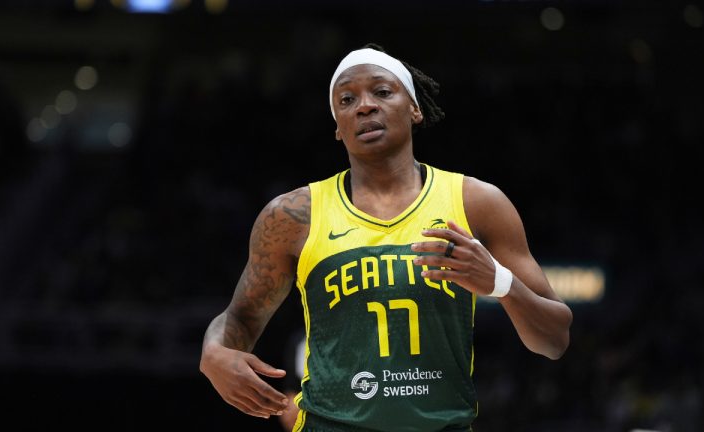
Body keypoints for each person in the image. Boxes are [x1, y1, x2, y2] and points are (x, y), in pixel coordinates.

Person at [199, 42, 573, 431]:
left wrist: (499, 282)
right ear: (338, 127)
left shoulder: (477, 203)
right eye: (346, 99)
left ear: (415, 108)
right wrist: (213, 352)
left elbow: (555, 339)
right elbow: (238, 321)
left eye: (381, 91)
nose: (364, 106)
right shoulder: (293, 215)